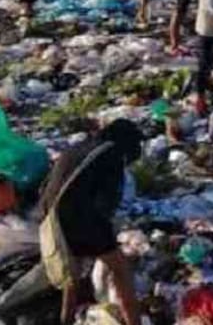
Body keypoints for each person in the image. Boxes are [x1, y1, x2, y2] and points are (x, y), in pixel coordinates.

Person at [38, 120, 145, 325]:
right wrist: (107, 234)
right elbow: (107, 203)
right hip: (78, 216)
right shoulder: (109, 154)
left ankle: (66, 320)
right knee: (120, 269)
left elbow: (46, 185)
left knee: (73, 272)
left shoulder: (80, 148)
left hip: (52, 216)